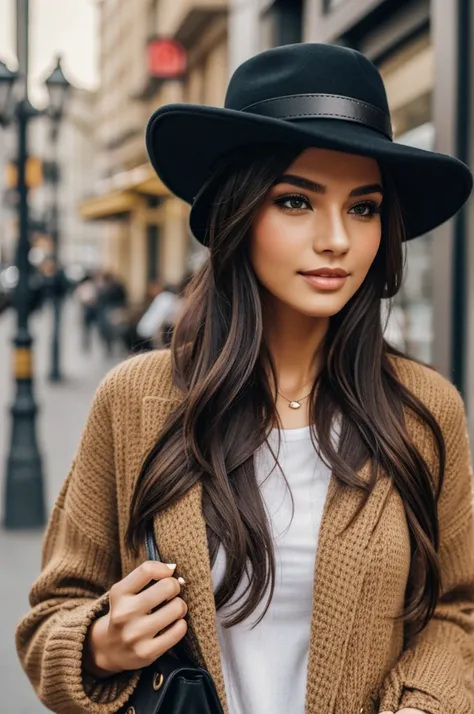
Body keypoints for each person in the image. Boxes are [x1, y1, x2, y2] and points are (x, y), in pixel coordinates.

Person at [16, 43, 474, 714]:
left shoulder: (425, 409)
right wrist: (102, 642)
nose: (337, 239)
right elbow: (53, 615)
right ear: (238, 214)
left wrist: (424, 704)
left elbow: (458, 609)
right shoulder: (137, 399)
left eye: (364, 208)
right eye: (296, 202)